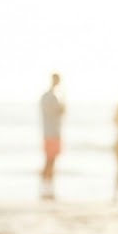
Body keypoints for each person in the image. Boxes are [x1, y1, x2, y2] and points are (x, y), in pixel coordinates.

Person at [39, 72, 66, 200]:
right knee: (51, 162)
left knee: (49, 161)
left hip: (47, 133)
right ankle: (47, 188)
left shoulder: (45, 97)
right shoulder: (54, 97)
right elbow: (61, 111)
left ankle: (46, 187)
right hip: (53, 133)